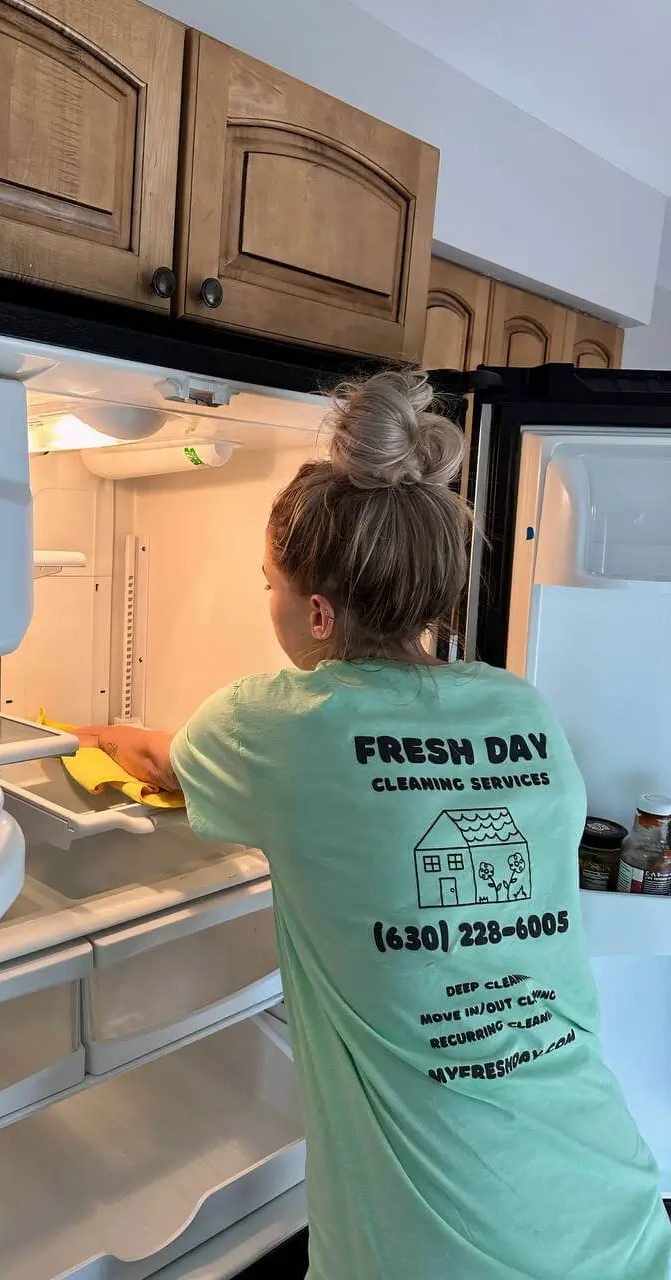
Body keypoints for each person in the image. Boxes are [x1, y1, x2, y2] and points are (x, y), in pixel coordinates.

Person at [80, 370, 671, 1280]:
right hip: (614, 1215)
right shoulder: (523, 713)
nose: (267, 601)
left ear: (316, 611)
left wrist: (72, 735)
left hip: (441, 1253)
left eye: (267, 584)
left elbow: (160, 762)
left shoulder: (280, 725)